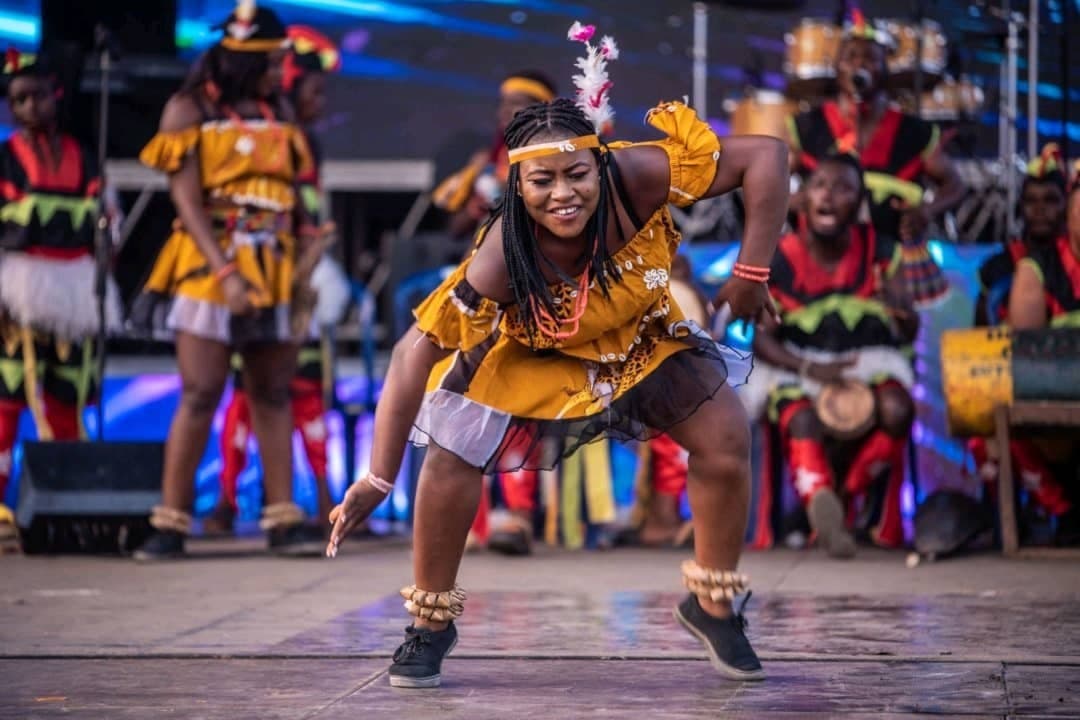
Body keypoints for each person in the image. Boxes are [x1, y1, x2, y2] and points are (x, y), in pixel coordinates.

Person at [326, 23, 788, 687]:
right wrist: (376, 478)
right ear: (518, 186)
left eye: (577, 174)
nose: (562, 194)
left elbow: (767, 157)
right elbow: (409, 356)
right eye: (541, 182)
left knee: (723, 436)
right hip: (534, 349)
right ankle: (429, 625)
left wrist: (752, 273)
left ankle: (714, 605)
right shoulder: (501, 258)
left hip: (635, 335)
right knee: (453, 455)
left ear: (600, 162)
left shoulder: (640, 174)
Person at [128, 1, 323, 559]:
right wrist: (226, 272)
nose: (281, 69)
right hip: (212, 259)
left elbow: (296, 186)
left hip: (276, 261)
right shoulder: (187, 110)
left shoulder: (278, 108)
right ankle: (170, 523)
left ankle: (283, 520)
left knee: (272, 390)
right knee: (201, 391)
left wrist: (308, 242)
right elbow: (186, 202)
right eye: (273, 59)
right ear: (244, 59)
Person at [205, 25, 350, 537]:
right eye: (314, 91)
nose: (321, 101)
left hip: (297, 278)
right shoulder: (274, 136)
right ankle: (226, 500)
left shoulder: (305, 141)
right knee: (249, 390)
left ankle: (325, 504)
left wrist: (310, 259)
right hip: (255, 274)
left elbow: (306, 215)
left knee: (300, 388)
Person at [741, 153, 918, 557]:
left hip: (869, 362)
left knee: (897, 406)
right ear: (803, 198)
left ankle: (842, 498)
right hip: (798, 365)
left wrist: (901, 307)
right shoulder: (779, 255)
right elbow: (762, 341)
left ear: (859, 203)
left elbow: (910, 330)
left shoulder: (881, 250)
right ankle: (821, 499)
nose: (828, 196)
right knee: (798, 416)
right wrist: (810, 368)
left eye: (842, 189)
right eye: (819, 185)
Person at [432, 70, 559, 555]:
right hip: (480, 294)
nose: (505, 112)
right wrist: (476, 206)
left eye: (519, 103)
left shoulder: (557, 161)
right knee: (467, 396)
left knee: (518, 395)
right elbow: (453, 227)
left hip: (537, 293)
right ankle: (472, 520)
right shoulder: (484, 162)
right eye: (503, 103)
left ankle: (516, 516)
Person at [0, 49, 121, 542]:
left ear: (57, 94)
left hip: (74, 290)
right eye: (18, 100)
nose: (29, 107)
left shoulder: (83, 155)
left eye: (37, 95)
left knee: (68, 397)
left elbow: (104, 222)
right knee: (7, 399)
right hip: (18, 293)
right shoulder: (5, 158)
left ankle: (72, 502)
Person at [787, 10, 965, 309]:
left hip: (894, 261)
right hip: (823, 258)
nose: (860, 64)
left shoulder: (913, 131)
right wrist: (802, 203)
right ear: (836, 67)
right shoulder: (807, 127)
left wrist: (926, 210)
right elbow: (770, 186)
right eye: (851, 56)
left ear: (885, 67)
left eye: (870, 57)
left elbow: (955, 185)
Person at [1001, 161, 1080, 543]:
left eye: (1050, 200)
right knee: (996, 427)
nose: (1040, 210)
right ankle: (1065, 513)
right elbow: (1028, 354)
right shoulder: (1034, 269)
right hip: (1054, 392)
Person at [974, 144, 1068, 326]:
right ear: (1020, 207)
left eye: (1050, 200)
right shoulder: (997, 267)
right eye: (1031, 200)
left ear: (1067, 205)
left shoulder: (1074, 265)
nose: (1040, 209)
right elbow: (979, 339)